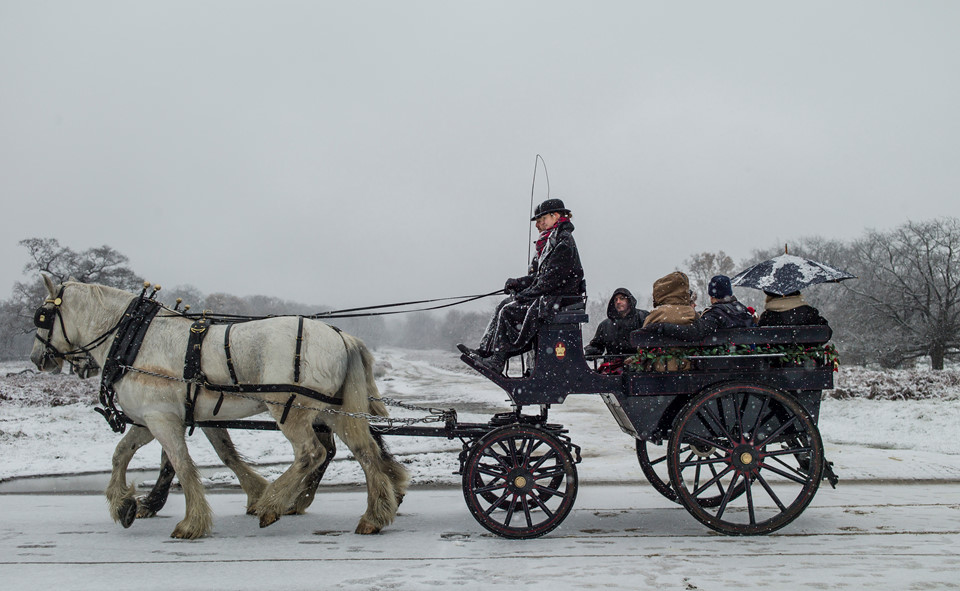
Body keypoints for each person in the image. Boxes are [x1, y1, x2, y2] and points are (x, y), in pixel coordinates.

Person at [459, 198, 584, 373]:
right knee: (503, 305)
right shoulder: (549, 242)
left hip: (560, 298)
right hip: (551, 294)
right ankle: (486, 351)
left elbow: (551, 281)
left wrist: (526, 295)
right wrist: (518, 284)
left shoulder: (563, 242)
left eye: (542, 220)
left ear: (555, 216)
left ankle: (498, 360)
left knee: (509, 310)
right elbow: (539, 277)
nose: (538, 225)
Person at [642, 274, 756, 340]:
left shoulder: (716, 313)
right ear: (730, 293)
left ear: (712, 296)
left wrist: (662, 327)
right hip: (745, 360)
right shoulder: (742, 309)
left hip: (720, 364)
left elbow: (694, 332)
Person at [584, 288, 648, 361]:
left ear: (629, 301)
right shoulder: (605, 325)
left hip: (640, 367)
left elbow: (653, 340)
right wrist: (590, 351)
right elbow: (597, 345)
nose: (618, 302)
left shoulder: (643, 317)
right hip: (613, 367)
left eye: (622, 298)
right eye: (615, 300)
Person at [758, 291, 829, 326]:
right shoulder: (809, 312)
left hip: (777, 354)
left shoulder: (768, 316)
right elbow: (825, 332)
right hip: (806, 352)